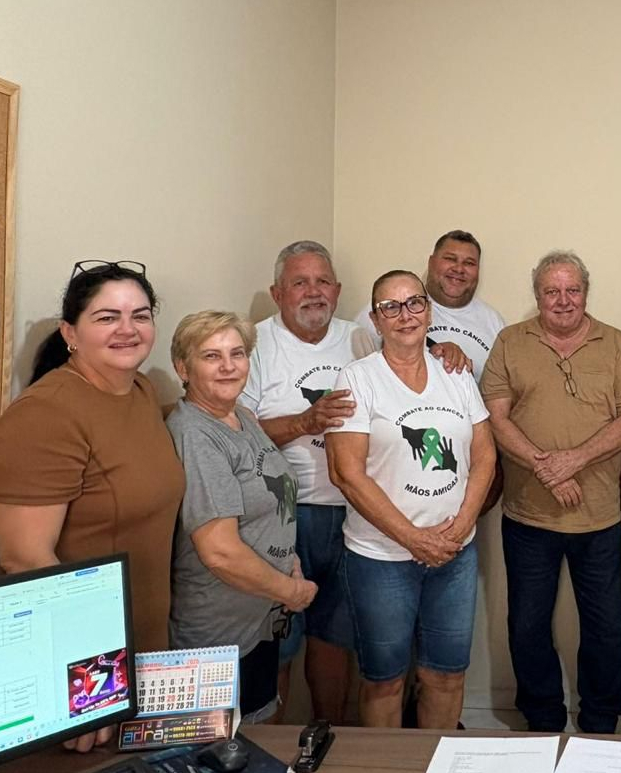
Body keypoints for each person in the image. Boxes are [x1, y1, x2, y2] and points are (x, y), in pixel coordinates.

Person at [243, 240, 467, 723]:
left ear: (339, 290)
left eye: (323, 281)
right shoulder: (255, 344)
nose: (314, 292)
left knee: (334, 639)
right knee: (278, 644)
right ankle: (269, 743)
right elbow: (235, 432)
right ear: (277, 292)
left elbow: (411, 356)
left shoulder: (358, 336)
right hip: (282, 516)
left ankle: (330, 736)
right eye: (300, 282)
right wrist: (304, 422)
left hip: (353, 517)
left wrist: (445, 350)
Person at [0, 260, 185, 752]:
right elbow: (24, 559)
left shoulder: (141, 391)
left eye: (140, 315)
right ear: (70, 333)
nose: (127, 329)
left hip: (145, 645)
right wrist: (91, 681)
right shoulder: (45, 414)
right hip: (84, 670)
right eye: (107, 317)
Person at [481, 250, 621, 734]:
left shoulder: (614, 343)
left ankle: (600, 718)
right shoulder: (511, 342)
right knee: (527, 625)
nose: (563, 300)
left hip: (599, 517)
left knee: (607, 626)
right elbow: (495, 417)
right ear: (537, 296)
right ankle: (543, 717)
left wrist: (574, 459)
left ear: (586, 293)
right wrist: (546, 466)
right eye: (551, 291)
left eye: (572, 290)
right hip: (528, 517)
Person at [326, 270, 495, 729]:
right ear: (375, 320)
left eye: (414, 303)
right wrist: (413, 538)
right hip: (381, 558)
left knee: (446, 675)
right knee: (384, 681)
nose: (405, 315)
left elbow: (485, 455)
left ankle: (435, 758)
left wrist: (461, 526)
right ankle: (388, 761)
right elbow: (346, 473)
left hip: (454, 554)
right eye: (391, 307)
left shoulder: (455, 374)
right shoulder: (357, 379)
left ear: (429, 310)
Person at [167, 311, 316, 722]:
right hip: (219, 633)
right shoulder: (196, 435)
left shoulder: (243, 417)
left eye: (237, 353)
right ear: (183, 368)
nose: (228, 366)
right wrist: (290, 590)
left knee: (259, 728)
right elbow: (220, 552)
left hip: (259, 618)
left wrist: (287, 560)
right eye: (211, 356)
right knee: (225, 744)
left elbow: (269, 501)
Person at [355, 230, 505, 381]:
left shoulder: (493, 322)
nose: (459, 269)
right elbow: (358, 371)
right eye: (450, 259)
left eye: (469, 263)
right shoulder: (387, 309)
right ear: (431, 262)